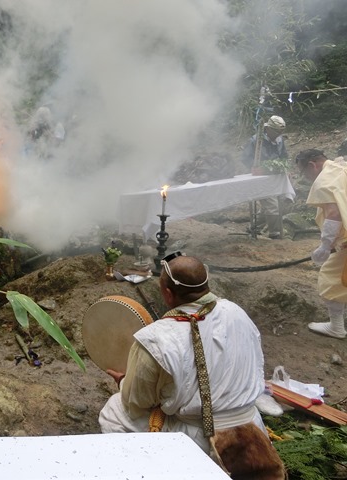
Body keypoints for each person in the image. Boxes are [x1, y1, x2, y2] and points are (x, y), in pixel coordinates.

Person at [99, 253, 285, 478]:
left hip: (200, 437)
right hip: (251, 426)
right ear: (206, 285)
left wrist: (123, 382)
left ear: (167, 294)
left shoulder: (155, 338)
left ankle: (147, 470)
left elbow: (137, 402)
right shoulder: (237, 312)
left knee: (113, 410)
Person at [295, 149, 347, 339]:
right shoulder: (340, 167)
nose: (306, 177)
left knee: (330, 279)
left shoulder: (324, 179)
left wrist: (325, 246)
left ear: (312, 165)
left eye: (304, 172)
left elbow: (334, 214)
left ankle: (336, 327)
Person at [240, 115, 288, 239]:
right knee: (272, 205)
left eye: (281, 132)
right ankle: (275, 233)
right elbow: (245, 158)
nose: (279, 134)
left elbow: (284, 155)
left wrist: (284, 167)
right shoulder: (256, 140)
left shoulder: (280, 140)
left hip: (275, 176)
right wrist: (256, 167)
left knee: (274, 204)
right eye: (277, 131)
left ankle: (255, 226)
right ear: (269, 129)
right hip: (260, 178)